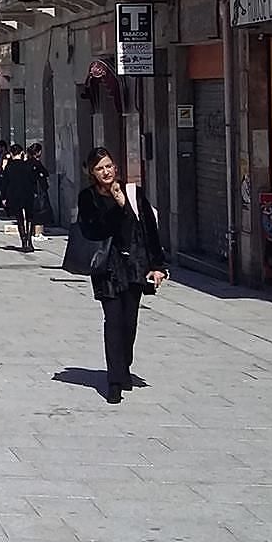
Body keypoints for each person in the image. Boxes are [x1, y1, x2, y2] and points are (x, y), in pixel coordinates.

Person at [76, 147, 168, 404]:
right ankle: (114, 381)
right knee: (113, 321)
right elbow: (94, 229)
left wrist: (158, 265)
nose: (105, 172)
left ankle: (123, 365)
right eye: (99, 168)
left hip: (135, 266)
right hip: (107, 268)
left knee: (129, 322)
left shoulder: (134, 193)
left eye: (108, 166)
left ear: (115, 167)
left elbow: (149, 229)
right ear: (92, 173)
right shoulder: (88, 197)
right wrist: (117, 206)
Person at [0, 144, 39, 252]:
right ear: (21, 153)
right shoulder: (28, 165)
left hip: (14, 194)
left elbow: (4, 183)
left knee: (20, 218)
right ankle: (29, 241)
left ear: (11, 154)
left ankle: (23, 241)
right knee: (29, 217)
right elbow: (34, 179)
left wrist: (3, 197)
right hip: (28, 193)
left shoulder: (9, 166)